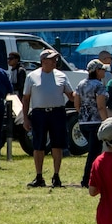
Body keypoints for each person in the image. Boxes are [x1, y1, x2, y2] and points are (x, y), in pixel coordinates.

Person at [21, 49, 77, 188]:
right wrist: (25, 118)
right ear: (43, 61)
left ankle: (56, 176)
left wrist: (80, 94)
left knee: (57, 145)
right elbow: (26, 98)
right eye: (52, 59)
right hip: (39, 113)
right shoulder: (32, 76)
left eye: (55, 59)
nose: (54, 62)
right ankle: (39, 176)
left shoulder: (61, 76)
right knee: (38, 145)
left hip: (57, 112)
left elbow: (71, 95)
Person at [76, 60, 109, 189]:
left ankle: (93, 178)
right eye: (102, 69)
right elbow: (101, 106)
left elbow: (77, 104)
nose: (104, 72)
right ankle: (87, 179)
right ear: (97, 70)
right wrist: (106, 122)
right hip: (96, 122)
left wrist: (83, 114)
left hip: (83, 122)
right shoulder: (99, 86)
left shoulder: (81, 84)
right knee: (94, 153)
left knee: (93, 151)